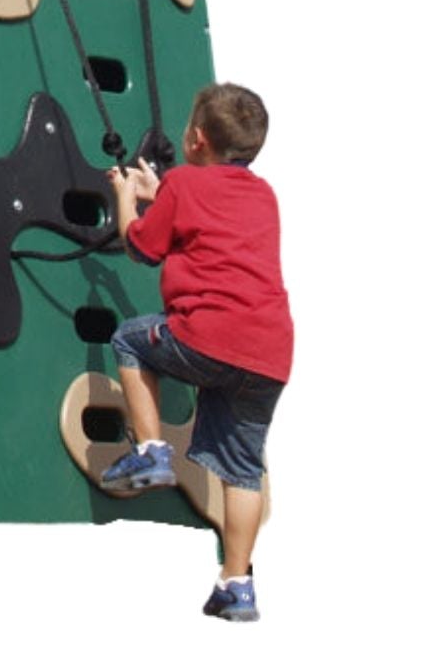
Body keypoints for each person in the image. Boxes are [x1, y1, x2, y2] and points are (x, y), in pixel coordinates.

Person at [101, 83, 292, 622]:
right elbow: (211, 219)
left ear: (196, 139)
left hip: (209, 337)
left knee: (130, 340)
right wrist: (163, 192)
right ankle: (236, 583)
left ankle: (152, 451)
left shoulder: (183, 185)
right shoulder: (263, 195)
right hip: (269, 354)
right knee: (243, 469)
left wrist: (125, 197)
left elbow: (141, 246)